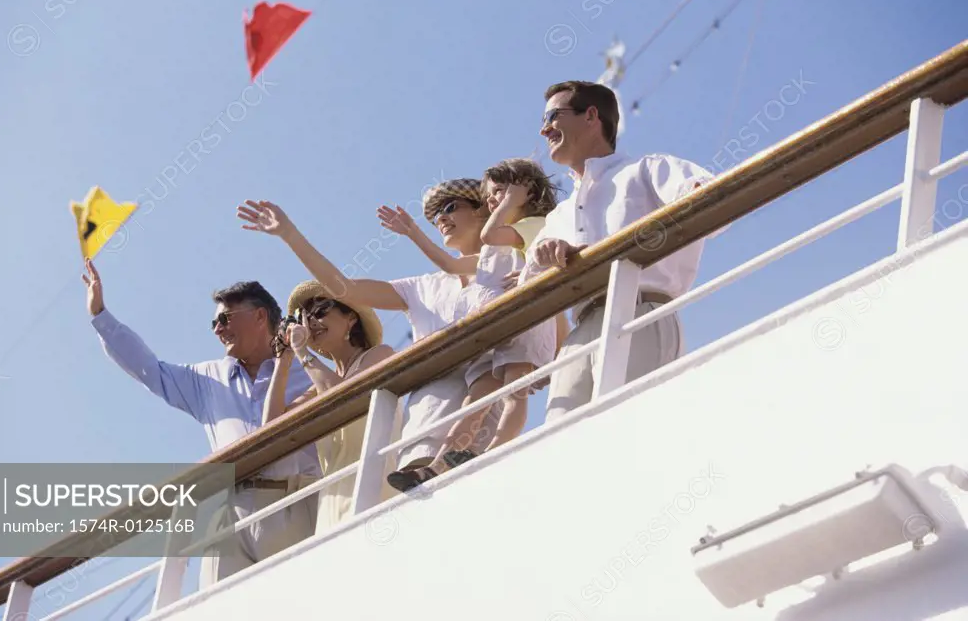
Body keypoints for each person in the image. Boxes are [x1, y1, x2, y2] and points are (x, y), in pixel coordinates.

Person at [236, 181, 502, 477]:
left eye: (450, 207)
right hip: (422, 434)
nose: (440, 218)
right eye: (436, 214)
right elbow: (343, 289)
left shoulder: (507, 265)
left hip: (482, 424)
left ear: (483, 211)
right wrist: (289, 235)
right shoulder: (421, 288)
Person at [82, 259, 320, 588]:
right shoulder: (205, 379)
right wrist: (100, 316)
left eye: (224, 319)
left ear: (260, 316)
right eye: (214, 324)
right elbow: (151, 370)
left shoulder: (307, 368)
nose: (217, 329)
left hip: (296, 502)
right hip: (228, 516)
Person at [520, 80, 722, 421]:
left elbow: (710, 202)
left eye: (553, 116)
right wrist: (542, 257)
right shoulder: (558, 216)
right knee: (558, 447)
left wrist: (695, 193)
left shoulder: (647, 169)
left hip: (641, 313)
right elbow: (528, 290)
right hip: (578, 334)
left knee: (631, 429)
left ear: (591, 116)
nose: (543, 129)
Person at [375, 159, 562, 491]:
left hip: (522, 323)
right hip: (494, 332)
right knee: (474, 402)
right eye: (489, 197)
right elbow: (448, 263)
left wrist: (508, 205)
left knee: (513, 394)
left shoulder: (533, 225)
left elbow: (493, 234)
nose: (492, 202)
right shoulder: (492, 249)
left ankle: (497, 450)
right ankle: (441, 461)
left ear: (525, 193)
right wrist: (413, 233)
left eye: (498, 193)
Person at [262, 280, 402, 532]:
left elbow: (344, 399)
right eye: (304, 317)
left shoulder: (380, 355)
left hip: (375, 490)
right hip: (332, 502)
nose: (311, 321)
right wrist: (284, 360)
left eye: (320, 310)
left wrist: (304, 353)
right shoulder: (319, 387)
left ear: (351, 318)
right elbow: (271, 427)